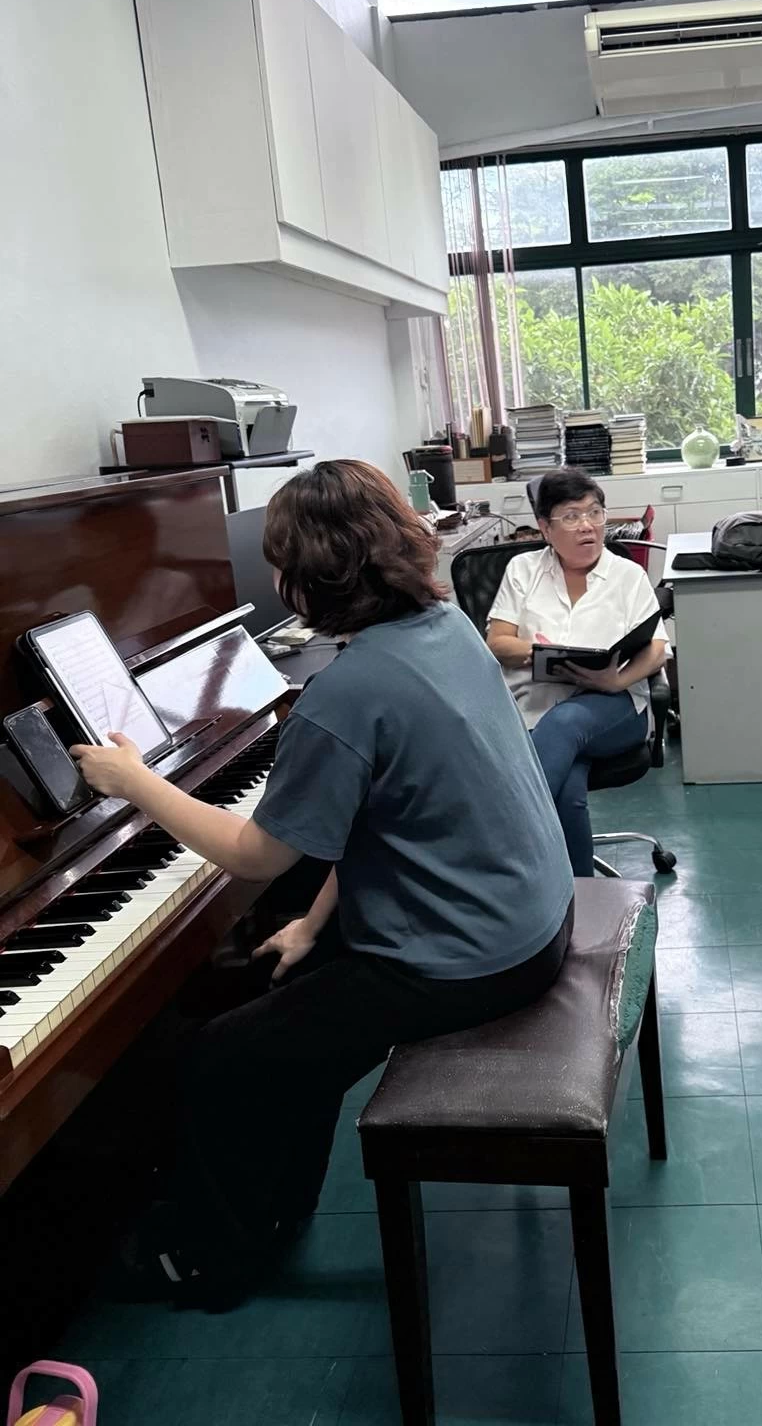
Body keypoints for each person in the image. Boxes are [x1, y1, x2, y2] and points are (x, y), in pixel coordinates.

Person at [71, 459, 575, 1304]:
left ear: (304, 580)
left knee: (225, 1056)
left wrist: (135, 783)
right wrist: (312, 922)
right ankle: (276, 1201)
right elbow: (394, 816)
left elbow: (256, 856)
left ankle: (215, 1260)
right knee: (290, 995)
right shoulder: (444, 628)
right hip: (527, 910)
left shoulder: (348, 691)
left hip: (471, 954)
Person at [486, 469, 670, 876]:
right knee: (568, 786)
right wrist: (546, 654)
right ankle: (579, 897)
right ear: (545, 528)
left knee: (566, 722)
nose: (587, 525)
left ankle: (504, 840)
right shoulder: (522, 569)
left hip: (614, 705)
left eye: (595, 513)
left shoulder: (627, 575)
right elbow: (498, 642)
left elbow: (657, 649)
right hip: (532, 706)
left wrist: (615, 680)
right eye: (571, 516)